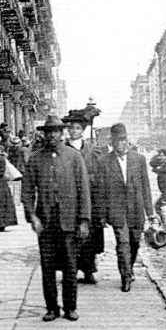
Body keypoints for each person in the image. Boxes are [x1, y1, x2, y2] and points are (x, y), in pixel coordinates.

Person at [22, 115, 91, 322]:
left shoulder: (73, 157)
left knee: (70, 267)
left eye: (56, 132)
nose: (52, 136)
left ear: (62, 134)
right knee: (48, 267)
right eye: (48, 132)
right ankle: (52, 307)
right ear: (44, 134)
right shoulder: (35, 158)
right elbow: (26, 191)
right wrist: (32, 216)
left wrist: (84, 220)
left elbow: (83, 190)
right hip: (46, 224)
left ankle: (70, 307)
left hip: (69, 222)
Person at [101, 123, 153, 292]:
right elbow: (100, 190)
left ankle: (129, 268)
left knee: (134, 242)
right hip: (116, 210)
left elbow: (145, 186)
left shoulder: (139, 159)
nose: (121, 144)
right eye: (117, 141)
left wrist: (150, 213)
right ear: (112, 142)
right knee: (122, 243)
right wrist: (102, 215)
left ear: (128, 140)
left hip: (136, 209)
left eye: (124, 140)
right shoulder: (104, 162)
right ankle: (126, 276)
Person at [64, 111, 105, 285]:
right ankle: (71, 271)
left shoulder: (91, 150)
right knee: (71, 238)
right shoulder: (64, 149)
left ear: (83, 130)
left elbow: (99, 173)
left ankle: (89, 271)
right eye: (71, 128)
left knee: (89, 237)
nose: (74, 131)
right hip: (69, 199)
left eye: (77, 128)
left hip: (90, 199)